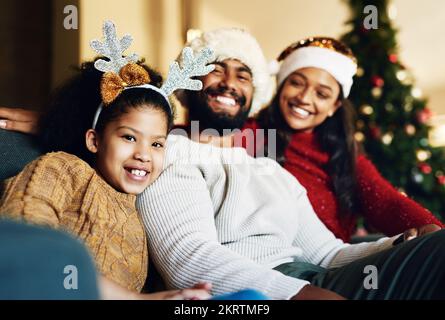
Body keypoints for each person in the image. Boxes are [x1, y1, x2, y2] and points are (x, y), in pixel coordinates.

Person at [137, 28, 445, 300]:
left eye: (243, 75)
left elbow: (329, 253)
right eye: (214, 68)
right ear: (188, 81)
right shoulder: (169, 151)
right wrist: (299, 293)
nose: (230, 82)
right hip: (274, 288)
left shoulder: (271, 169)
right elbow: (188, 260)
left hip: (318, 279)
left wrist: (399, 244)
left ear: (253, 94)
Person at [0, 20, 217, 300]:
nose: (143, 154)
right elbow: (31, 246)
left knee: (249, 299)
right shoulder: (63, 167)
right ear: (94, 140)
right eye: (129, 137)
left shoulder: (142, 212)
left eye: (157, 144)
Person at [242, 37, 443, 242]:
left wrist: (431, 230)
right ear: (281, 86)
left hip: (337, 256)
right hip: (279, 256)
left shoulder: (344, 151)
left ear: (334, 107)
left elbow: (385, 201)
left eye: (321, 94)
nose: (304, 98)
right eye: (296, 83)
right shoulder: (252, 133)